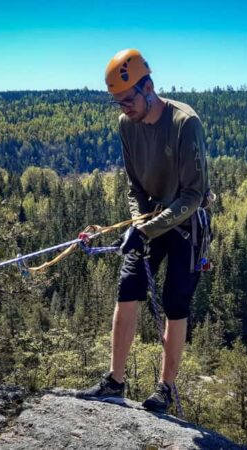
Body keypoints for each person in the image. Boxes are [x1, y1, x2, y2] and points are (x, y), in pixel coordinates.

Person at [78, 48, 210, 413]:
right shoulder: (126, 125)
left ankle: (165, 389)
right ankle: (114, 381)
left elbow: (194, 195)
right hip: (149, 219)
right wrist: (138, 223)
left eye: (128, 100)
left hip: (186, 222)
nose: (124, 108)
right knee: (128, 288)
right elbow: (133, 185)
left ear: (148, 86)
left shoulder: (185, 122)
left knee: (175, 303)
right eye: (117, 103)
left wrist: (147, 229)